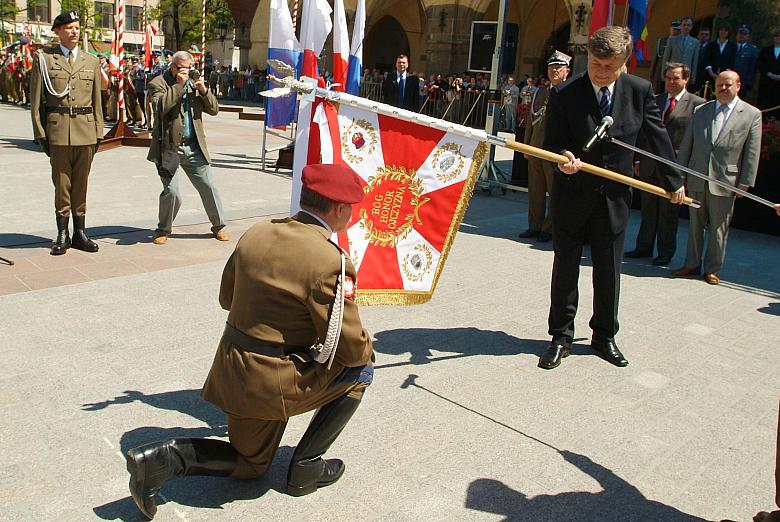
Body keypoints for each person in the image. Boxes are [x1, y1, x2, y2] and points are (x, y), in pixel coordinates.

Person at [125, 163, 374, 520]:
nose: (351, 214)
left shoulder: (258, 232)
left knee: (251, 464)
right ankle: (307, 467)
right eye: (350, 208)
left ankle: (164, 458)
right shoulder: (330, 260)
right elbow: (351, 348)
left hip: (232, 369)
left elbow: (227, 298)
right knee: (362, 369)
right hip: (273, 380)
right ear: (338, 209)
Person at [538, 26, 685, 370]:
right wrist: (563, 157)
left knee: (608, 269)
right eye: (595, 64)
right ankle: (561, 335)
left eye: (609, 66)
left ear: (624, 63)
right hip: (572, 193)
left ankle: (604, 335)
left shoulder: (639, 91)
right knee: (566, 267)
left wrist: (673, 181)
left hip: (614, 197)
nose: (601, 72)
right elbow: (551, 143)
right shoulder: (565, 92)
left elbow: (657, 139)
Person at [672, 71, 762, 285]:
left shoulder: (751, 114)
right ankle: (691, 263)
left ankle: (712, 269)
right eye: (719, 84)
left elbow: (752, 152)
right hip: (697, 176)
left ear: (738, 86)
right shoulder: (701, 110)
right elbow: (687, 143)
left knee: (719, 228)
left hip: (726, 181)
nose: (722, 88)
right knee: (695, 226)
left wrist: (745, 182)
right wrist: (679, 174)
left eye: (727, 84)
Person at [29, 10, 104, 256]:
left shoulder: (91, 61)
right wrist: (40, 133)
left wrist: (99, 132)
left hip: (86, 130)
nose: (74, 32)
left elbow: (97, 101)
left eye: (77, 28)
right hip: (59, 130)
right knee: (62, 185)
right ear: (58, 31)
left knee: (81, 185)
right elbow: (36, 100)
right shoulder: (44, 59)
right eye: (69, 28)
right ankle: (62, 233)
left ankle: (80, 232)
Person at [626, 63, 705, 266]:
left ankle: (665, 252)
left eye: (676, 78)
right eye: (668, 78)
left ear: (686, 79)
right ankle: (643, 247)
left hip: (675, 165)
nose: (671, 82)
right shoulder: (655, 99)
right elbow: (643, 131)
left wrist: (686, 169)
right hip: (649, 162)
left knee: (668, 212)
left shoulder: (697, 104)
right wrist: (638, 158)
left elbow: (696, 140)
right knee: (648, 208)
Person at [146, 50, 228, 244]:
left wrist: (204, 90)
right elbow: (160, 108)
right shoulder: (158, 83)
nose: (187, 72)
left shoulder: (194, 83)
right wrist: (178, 86)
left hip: (194, 147)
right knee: (172, 193)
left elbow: (214, 109)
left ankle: (219, 226)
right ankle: (163, 229)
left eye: (190, 68)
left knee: (209, 187)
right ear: (172, 67)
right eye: (182, 68)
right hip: (169, 148)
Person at [519, 50, 571, 243]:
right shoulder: (540, 92)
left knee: (554, 191)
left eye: (558, 68)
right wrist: (526, 145)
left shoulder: (570, 93)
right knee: (536, 190)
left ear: (567, 71)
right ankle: (534, 225)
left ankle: (549, 229)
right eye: (551, 68)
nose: (554, 71)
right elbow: (531, 119)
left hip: (555, 151)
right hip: (535, 147)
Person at [662, 17, 700, 86]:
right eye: (684, 25)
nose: (686, 27)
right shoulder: (672, 40)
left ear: (691, 27)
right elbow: (666, 57)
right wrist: (664, 74)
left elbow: (694, 62)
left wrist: (692, 77)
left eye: (688, 25)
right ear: (681, 26)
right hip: (671, 74)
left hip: (685, 75)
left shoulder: (695, 42)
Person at [756, 28, 780, 119]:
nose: (778, 37)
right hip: (766, 83)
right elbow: (760, 64)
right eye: (776, 35)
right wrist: (769, 74)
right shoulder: (766, 50)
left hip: (779, 86)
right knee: (764, 108)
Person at [651, 20, 680, 92]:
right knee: (657, 92)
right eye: (674, 29)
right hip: (659, 71)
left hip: (674, 74)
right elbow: (655, 59)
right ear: (670, 29)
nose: (676, 31)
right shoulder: (662, 41)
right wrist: (652, 74)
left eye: (678, 30)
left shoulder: (681, 43)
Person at [733, 25, 759, 98]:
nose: (741, 36)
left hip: (743, 82)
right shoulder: (731, 46)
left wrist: (749, 82)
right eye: (740, 33)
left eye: (744, 34)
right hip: (729, 80)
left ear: (748, 36)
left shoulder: (752, 49)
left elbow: (753, 67)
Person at [691, 26, 711, 95]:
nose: (704, 36)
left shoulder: (711, 47)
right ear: (698, 35)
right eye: (702, 34)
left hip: (704, 77)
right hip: (692, 74)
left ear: (709, 37)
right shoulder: (693, 45)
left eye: (706, 35)